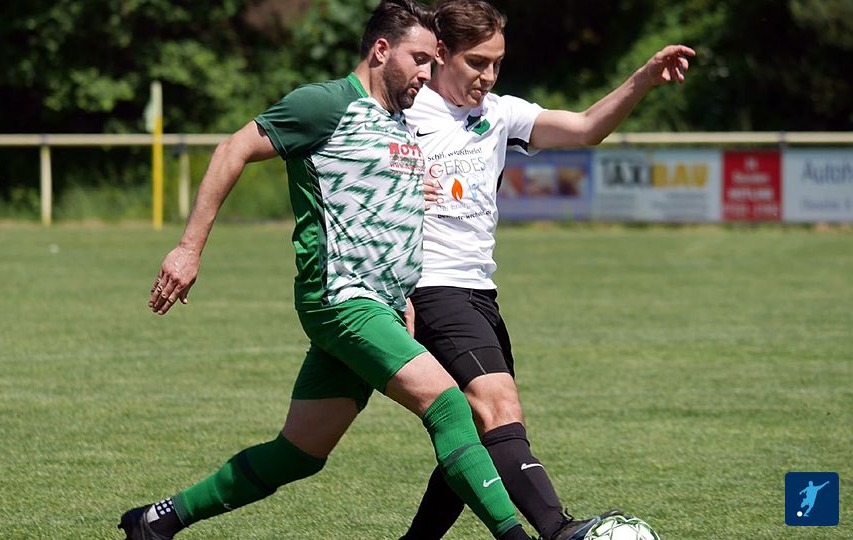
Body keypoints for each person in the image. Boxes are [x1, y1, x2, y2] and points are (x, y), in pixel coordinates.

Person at [118, 1, 535, 539]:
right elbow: (232, 149)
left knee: (299, 453)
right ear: (381, 50)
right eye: (419, 59)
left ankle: (158, 520)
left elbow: (385, 214)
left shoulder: (400, 121)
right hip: (342, 300)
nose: (427, 73)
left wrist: (403, 294)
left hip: (380, 306)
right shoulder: (326, 104)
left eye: (433, 62)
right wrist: (188, 248)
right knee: (450, 405)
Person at [397, 2, 695, 539]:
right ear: (440, 53)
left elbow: (584, 128)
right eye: (476, 62)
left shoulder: (500, 114)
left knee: (479, 430)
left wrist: (644, 79)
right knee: (498, 409)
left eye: (497, 63)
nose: (488, 76)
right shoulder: (401, 112)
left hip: (479, 291)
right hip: (433, 287)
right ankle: (559, 530)